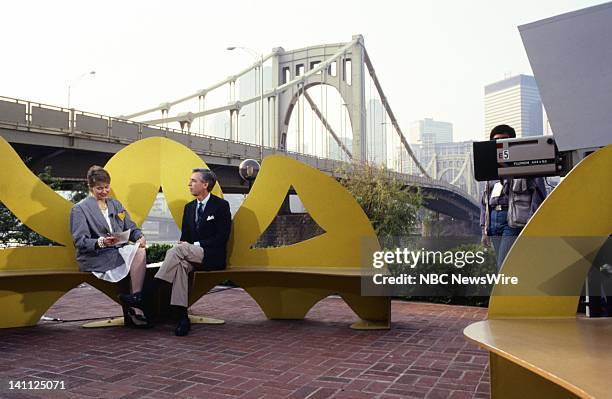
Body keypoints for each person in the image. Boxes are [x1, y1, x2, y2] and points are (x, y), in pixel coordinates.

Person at [124, 168, 231, 336]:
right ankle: (182, 318)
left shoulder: (221, 206)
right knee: (180, 265)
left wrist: (193, 244)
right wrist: (186, 245)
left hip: (211, 256)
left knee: (179, 250)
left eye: (193, 181)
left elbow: (222, 237)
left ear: (205, 184)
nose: (189, 184)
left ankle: (146, 295)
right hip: (188, 255)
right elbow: (184, 238)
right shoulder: (189, 208)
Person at [70, 166, 148, 326]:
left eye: (107, 187)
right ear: (91, 188)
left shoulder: (116, 205)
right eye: (100, 188)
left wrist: (139, 236)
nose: (104, 191)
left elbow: (131, 227)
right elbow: (79, 241)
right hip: (97, 256)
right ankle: (136, 308)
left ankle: (136, 299)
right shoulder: (79, 209)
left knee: (140, 250)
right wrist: (101, 242)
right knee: (135, 257)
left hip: (117, 251)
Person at [480, 125, 547, 269]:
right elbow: (484, 201)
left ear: (512, 142)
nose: (499, 144)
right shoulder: (489, 168)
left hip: (513, 220)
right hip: (493, 221)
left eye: (504, 140)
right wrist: (484, 229)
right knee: (503, 264)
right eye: (495, 141)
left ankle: (506, 290)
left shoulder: (527, 164)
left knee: (504, 264)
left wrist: (532, 223)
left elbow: (539, 195)